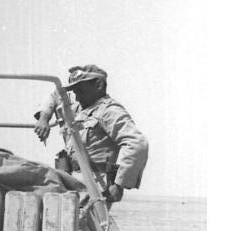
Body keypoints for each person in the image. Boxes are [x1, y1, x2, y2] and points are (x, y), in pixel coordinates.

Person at [34, 64, 148, 203]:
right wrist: (44, 118)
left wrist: (119, 185)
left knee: (79, 222)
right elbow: (56, 94)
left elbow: (137, 144)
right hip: (70, 180)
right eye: (74, 92)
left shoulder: (109, 111)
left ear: (99, 85)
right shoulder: (79, 107)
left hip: (94, 186)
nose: (76, 96)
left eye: (80, 91)